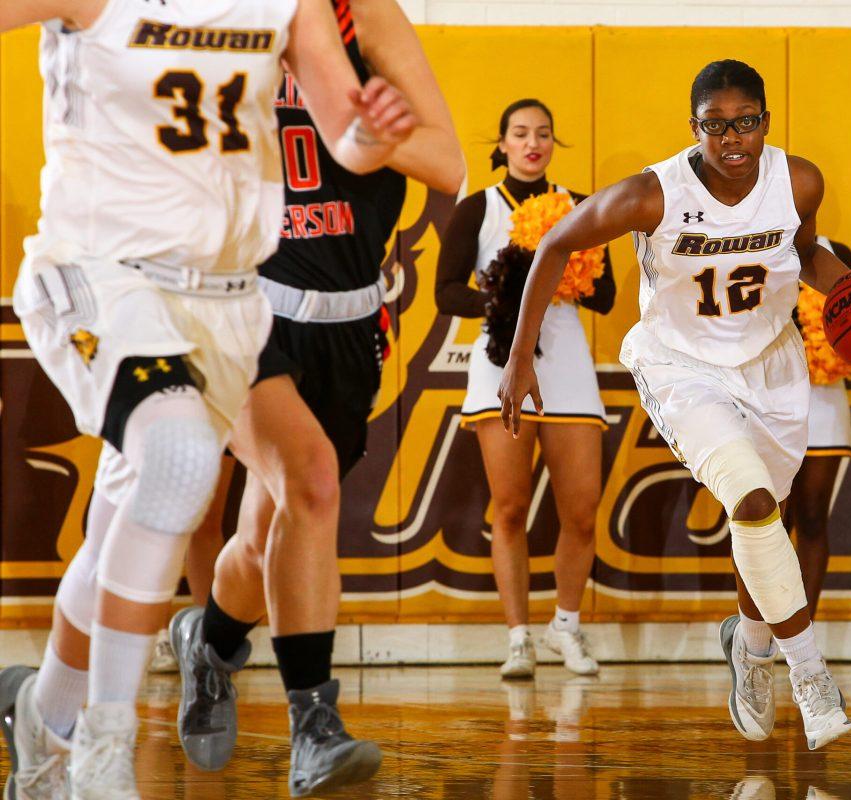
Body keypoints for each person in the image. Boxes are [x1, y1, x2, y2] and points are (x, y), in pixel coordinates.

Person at [0, 2, 416, 798]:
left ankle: (44, 711)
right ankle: (104, 750)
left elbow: (345, 136)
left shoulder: (287, 6)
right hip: (102, 271)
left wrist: (375, 133)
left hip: (226, 298)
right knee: (183, 456)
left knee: (132, 506)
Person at [497, 60, 851, 750]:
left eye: (745, 122)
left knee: (767, 522)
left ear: (765, 122)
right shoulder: (653, 194)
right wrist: (518, 357)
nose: (732, 139)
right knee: (751, 500)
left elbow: (803, 250)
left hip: (772, 363)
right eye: (715, 125)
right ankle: (810, 676)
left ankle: (749, 646)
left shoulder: (798, 180)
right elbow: (554, 244)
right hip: (682, 366)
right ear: (694, 128)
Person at [158, 1, 462, 796]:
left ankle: (211, 640)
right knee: (311, 480)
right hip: (239, 300)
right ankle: (314, 724)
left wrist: (367, 136)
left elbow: (449, 164)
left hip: (348, 318)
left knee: (267, 537)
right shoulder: (210, 19)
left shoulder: (368, 21)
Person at [435, 99, 615, 679]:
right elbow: (444, 293)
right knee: (509, 507)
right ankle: (518, 638)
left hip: (566, 364)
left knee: (582, 511)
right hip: (500, 364)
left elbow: (606, 297)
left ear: (553, 142)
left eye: (543, 132)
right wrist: (509, 292)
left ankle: (566, 627)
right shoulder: (476, 209)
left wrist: (569, 275)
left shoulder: (581, 206)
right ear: (503, 143)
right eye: (520, 133)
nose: (532, 142)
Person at [786, 236, 851, 618]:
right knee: (769, 522)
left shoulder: (838, 253)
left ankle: (801, 631)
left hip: (825, 400)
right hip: (769, 397)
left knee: (812, 516)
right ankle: (759, 629)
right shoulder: (748, 244)